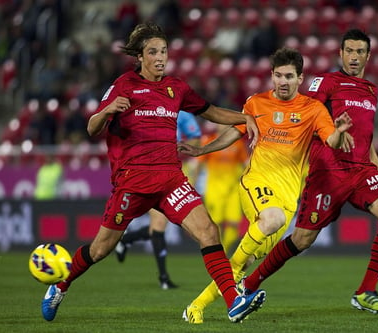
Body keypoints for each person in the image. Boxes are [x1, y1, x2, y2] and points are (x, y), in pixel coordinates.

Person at [40, 22, 266, 324]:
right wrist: (107, 111)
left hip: (170, 179)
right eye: (153, 52)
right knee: (100, 248)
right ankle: (62, 283)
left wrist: (245, 118)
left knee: (208, 231)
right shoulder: (123, 86)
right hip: (132, 182)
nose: (161, 57)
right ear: (140, 57)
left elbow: (210, 110)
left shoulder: (176, 88)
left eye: (164, 51)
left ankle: (233, 302)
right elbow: (92, 128)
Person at [179, 47, 353, 324]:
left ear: (300, 78)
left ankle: (196, 308)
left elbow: (331, 140)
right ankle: (236, 293)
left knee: (242, 263)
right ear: (271, 76)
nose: (283, 82)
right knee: (270, 219)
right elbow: (234, 134)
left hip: (287, 198)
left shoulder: (312, 109)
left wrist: (340, 133)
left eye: (289, 76)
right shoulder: (256, 103)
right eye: (278, 76)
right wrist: (204, 151)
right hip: (256, 183)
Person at [239, 29, 378, 315]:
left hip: (362, 170)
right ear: (340, 54)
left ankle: (366, 291)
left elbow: (367, 136)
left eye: (359, 52)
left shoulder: (371, 91)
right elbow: (305, 111)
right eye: (349, 51)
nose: (354, 57)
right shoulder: (325, 82)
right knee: (303, 239)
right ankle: (250, 283)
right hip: (328, 170)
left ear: (368, 55)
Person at [114, 110, 202, 290]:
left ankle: (126, 239)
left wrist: (179, 147)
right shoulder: (144, 110)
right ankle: (163, 278)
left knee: (161, 225)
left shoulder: (182, 114)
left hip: (173, 171)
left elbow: (196, 139)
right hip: (147, 171)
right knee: (160, 223)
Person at [197, 122, 248, 255]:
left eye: (225, 123)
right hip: (214, 189)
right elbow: (199, 164)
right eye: (220, 123)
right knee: (215, 223)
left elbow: (245, 165)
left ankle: (224, 250)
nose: (222, 126)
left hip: (233, 189)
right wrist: (194, 183)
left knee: (233, 223)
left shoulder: (238, 143)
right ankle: (217, 252)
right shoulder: (209, 141)